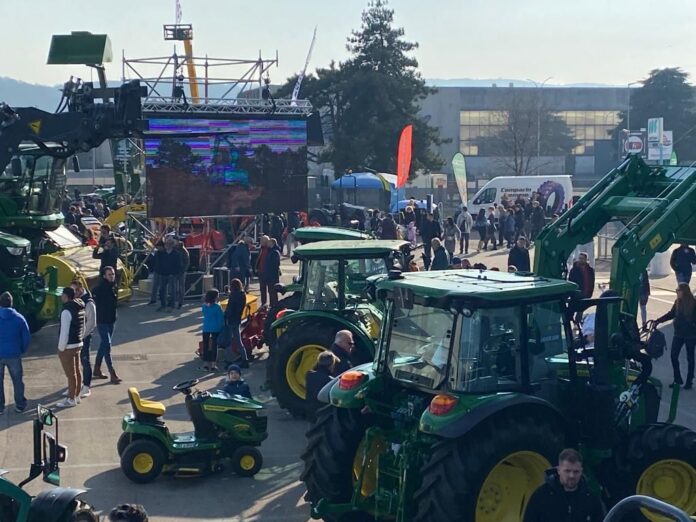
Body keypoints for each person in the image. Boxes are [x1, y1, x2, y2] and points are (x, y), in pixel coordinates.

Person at [523, 448, 604, 522]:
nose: (571, 476)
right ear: (558, 470)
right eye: (567, 471)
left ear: (581, 471)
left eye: (576, 471)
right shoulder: (541, 496)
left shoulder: (591, 499)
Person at [655, 282, 696, 389]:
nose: (676, 292)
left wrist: (692, 325)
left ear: (684, 292)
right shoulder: (677, 302)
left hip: (690, 335)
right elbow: (671, 314)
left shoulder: (693, 303)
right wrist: (658, 321)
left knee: (690, 358)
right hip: (678, 334)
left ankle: (689, 380)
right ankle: (677, 378)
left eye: (678, 290)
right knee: (673, 356)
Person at [0, 292, 29, 413]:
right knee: (17, 381)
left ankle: (0, 406)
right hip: (14, 354)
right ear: (12, 303)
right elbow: (26, 337)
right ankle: (20, 405)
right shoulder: (19, 318)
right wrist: (21, 349)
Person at [56, 287, 85, 408]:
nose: (61, 296)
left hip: (68, 346)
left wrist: (60, 348)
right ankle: (77, 396)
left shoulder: (66, 311)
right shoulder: (80, 307)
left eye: (62, 294)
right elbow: (82, 326)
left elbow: (64, 332)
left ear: (66, 296)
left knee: (70, 374)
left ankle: (71, 399)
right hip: (78, 343)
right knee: (77, 371)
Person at [93, 266, 121, 384]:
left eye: (113, 274)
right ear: (104, 276)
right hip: (102, 321)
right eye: (109, 274)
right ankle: (112, 373)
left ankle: (97, 368)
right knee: (107, 345)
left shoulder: (114, 286)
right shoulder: (99, 288)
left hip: (111, 320)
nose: (112, 276)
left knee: (104, 345)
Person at [70, 280, 95, 398]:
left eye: (75, 290)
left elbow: (91, 323)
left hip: (83, 336)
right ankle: (75, 386)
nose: (73, 293)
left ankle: (86, 386)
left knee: (85, 360)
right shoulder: (74, 300)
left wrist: (82, 335)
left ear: (81, 289)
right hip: (76, 336)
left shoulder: (89, 303)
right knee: (74, 362)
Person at [224, 278, 249, 368]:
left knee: (228, 342)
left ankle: (228, 360)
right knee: (239, 341)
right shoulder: (242, 295)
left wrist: (225, 316)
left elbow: (230, 308)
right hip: (238, 319)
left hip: (231, 320)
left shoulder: (233, 296)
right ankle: (245, 360)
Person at [306, 351, 338, 417]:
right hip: (323, 413)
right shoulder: (329, 380)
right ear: (331, 365)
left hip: (310, 411)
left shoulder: (309, 375)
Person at [201, 289, 224, 372]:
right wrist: (222, 326)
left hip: (206, 327)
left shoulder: (204, 306)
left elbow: (204, 313)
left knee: (206, 346)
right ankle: (213, 365)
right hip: (215, 328)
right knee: (214, 346)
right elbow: (221, 318)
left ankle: (205, 364)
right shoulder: (217, 307)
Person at [156, 237, 180, 312]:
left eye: (169, 243)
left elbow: (178, 265)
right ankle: (163, 305)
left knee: (172, 291)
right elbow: (159, 263)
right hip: (163, 274)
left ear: (172, 245)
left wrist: (174, 273)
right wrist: (159, 272)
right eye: (166, 243)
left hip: (172, 275)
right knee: (162, 290)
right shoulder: (161, 253)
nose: (167, 245)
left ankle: (171, 306)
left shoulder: (176, 254)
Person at [263, 238, 281, 307]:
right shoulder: (271, 251)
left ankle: (274, 306)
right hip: (271, 276)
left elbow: (275, 265)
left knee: (273, 292)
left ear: (272, 243)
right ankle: (272, 305)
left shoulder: (275, 252)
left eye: (269, 243)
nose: (268, 244)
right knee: (271, 292)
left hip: (272, 277)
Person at [255, 236, 271, 307]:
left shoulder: (269, 250)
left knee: (270, 289)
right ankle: (263, 303)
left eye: (262, 241)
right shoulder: (261, 249)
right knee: (262, 289)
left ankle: (271, 304)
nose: (260, 242)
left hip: (267, 272)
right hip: (261, 271)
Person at [175, 239, 190, 309]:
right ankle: (175, 300)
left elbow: (186, 263)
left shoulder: (184, 252)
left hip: (181, 271)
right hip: (176, 271)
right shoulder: (176, 250)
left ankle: (180, 302)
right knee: (175, 287)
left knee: (181, 287)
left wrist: (183, 270)